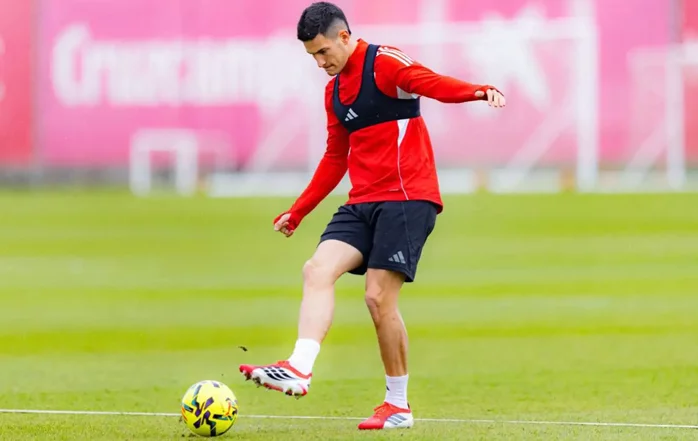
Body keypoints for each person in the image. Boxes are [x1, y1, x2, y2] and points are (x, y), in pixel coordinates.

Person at [239, 1, 505, 430]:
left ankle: (397, 405)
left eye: (323, 52)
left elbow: (430, 82)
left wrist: (478, 90)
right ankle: (299, 367)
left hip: (407, 197)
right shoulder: (333, 93)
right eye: (312, 56)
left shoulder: (384, 62)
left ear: (344, 37)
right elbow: (335, 158)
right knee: (316, 269)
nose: (320, 63)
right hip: (362, 201)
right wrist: (299, 210)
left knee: (378, 298)